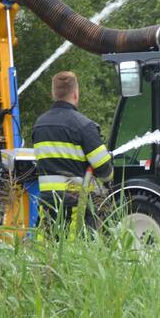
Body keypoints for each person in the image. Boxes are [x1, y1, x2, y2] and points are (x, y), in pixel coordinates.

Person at [31, 71, 112, 232]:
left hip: (47, 202)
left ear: (53, 93)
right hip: (75, 205)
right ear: (75, 93)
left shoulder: (39, 125)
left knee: (45, 247)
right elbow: (104, 170)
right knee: (74, 250)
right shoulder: (83, 125)